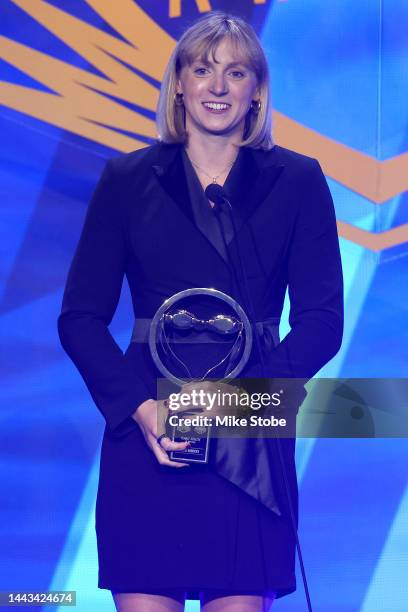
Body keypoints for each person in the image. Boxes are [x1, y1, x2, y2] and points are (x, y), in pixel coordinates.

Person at [57, 11, 343, 612]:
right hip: (151, 428)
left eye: (235, 72)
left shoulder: (297, 180)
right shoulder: (127, 180)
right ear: (179, 84)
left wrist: (242, 405)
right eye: (203, 69)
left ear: (255, 92)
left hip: (249, 438)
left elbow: (321, 322)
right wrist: (142, 409)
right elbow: (80, 317)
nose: (217, 86)